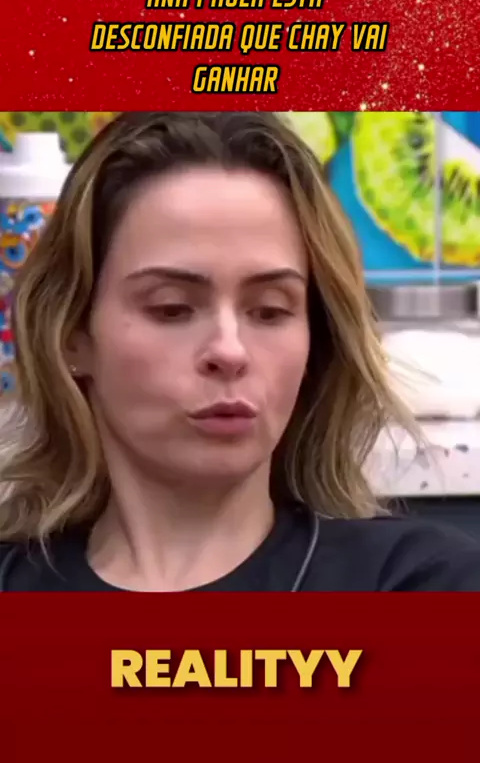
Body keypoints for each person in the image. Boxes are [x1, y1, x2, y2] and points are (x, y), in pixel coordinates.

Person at [0, 111, 479, 592]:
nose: (229, 351)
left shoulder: (419, 583)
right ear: (72, 335)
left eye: (270, 311)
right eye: (172, 308)